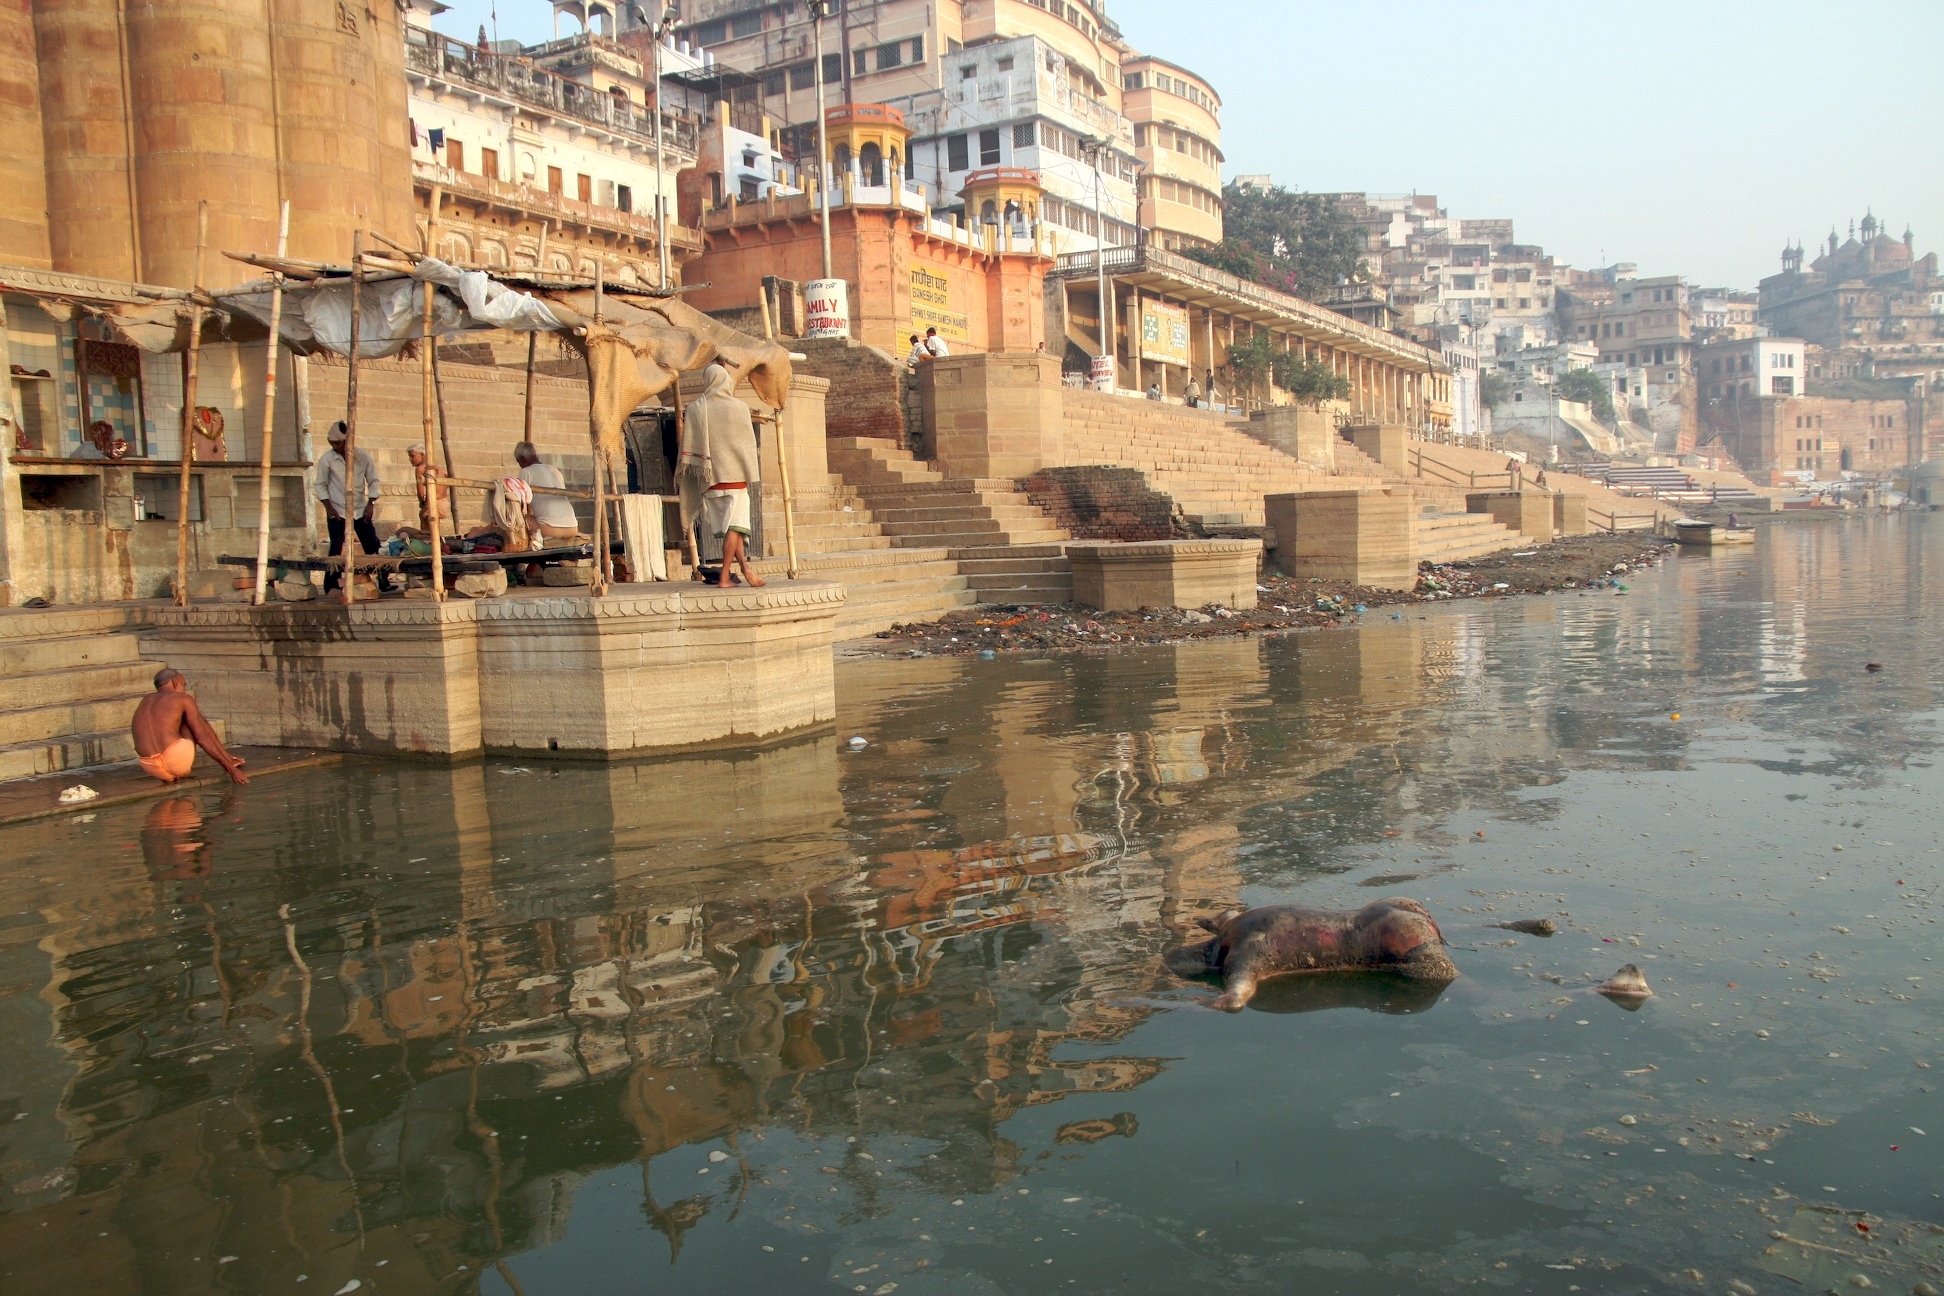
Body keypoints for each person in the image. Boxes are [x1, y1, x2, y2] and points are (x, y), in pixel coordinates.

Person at [678, 363, 766, 588]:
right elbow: (746, 443)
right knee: (736, 527)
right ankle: (725, 576)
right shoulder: (739, 407)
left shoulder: (697, 408)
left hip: (709, 479)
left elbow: (689, 442)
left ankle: (746, 569)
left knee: (732, 529)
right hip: (735, 476)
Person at [131, 668, 247, 785]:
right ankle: (229, 761)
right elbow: (200, 737)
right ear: (175, 682)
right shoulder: (182, 699)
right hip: (176, 762)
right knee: (194, 718)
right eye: (184, 685)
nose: (184, 689)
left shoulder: (146, 700)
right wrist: (231, 770)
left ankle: (227, 758)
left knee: (185, 716)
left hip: (152, 766)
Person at [315, 420, 387, 592]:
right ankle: (331, 585)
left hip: (360, 508)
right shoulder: (327, 459)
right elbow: (320, 484)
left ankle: (383, 580)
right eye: (332, 443)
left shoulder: (363, 457)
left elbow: (373, 480)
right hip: (338, 510)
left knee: (372, 545)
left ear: (347, 441)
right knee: (336, 548)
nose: (334, 446)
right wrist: (328, 507)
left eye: (338, 443)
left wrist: (371, 503)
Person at [516, 441, 580, 541]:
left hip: (550, 530)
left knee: (515, 519)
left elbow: (519, 503)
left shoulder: (526, 471)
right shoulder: (554, 469)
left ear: (522, 459)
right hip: (572, 528)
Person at [408, 444, 448, 536]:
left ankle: (431, 547)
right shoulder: (439, 468)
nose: (410, 459)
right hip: (443, 502)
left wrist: (422, 502)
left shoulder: (421, 468)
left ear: (422, 455)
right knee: (434, 527)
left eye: (412, 456)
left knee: (428, 530)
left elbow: (421, 493)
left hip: (433, 502)